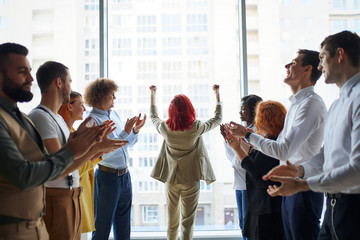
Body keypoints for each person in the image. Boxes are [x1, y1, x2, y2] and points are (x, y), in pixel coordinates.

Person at [0, 43, 107, 239]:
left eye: (30, 72)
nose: (31, 79)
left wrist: (86, 146)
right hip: (15, 228)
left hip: (36, 222)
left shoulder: (21, 117)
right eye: (22, 72)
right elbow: (24, 174)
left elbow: (47, 164)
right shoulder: (26, 117)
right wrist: (77, 151)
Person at [263, 30, 360, 239]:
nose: (319, 66)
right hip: (333, 207)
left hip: (354, 209)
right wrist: (298, 170)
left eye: (323, 57)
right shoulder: (336, 105)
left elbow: (358, 168)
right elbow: (327, 155)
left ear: (340, 55)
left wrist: (303, 184)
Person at [229, 49, 327, 240]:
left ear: (307, 70)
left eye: (293, 63)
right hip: (293, 187)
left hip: (304, 189)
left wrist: (247, 136)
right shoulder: (298, 104)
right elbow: (283, 150)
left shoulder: (310, 104)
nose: (287, 66)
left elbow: (283, 149)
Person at [29, 62, 125, 240]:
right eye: (69, 82)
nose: (70, 87)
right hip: (57, 201)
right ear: (59, 83)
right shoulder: (41, 117)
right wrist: (94, 149)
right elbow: (59, 168)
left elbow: (69, 162)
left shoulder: (55, 118)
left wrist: (96, 148)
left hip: (70, 198)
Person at [149, 84, 222, 240]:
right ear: (190, 109)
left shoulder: (165, 128)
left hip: (171, 179)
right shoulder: (196, 127)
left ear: (171, 110)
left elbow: (154, 118)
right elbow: (217, 119)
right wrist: (217, 96)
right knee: (187, 222)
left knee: (172, 221)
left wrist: (153, 97)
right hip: (191, 179)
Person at [84, 78, 146, 240]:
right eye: (112, 95)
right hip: (107, 177)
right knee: (102, 227)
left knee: (124, 226)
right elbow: (102, 153)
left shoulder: (114, 114)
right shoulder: (92, 121)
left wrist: (135, 131)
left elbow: (126, 144)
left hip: (124, 176)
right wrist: (125, 132)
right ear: (102, 96)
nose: (115, 98)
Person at [58, 91, 125, 236]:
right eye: (80, 104)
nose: (84, 108)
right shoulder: (67, 132)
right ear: (69, 107)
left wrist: (99, 149)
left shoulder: (73, 131)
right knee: (101, 228)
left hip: (82, 192)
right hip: (74, 194)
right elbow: (72, 168)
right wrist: (99, 150)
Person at [224, 100, 286, 240]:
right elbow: (255, 158)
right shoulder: (270, 140)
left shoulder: (273, 143)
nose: (256, 120)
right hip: (262, 204)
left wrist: (237, 148)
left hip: (266, 206)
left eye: (259, 116)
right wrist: (246, 142)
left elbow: (254, 168)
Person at [221, 94, 262, 240]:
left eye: (243, 109)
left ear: (254, 111)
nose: (240, 113)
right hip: (239, 184)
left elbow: (243, 160)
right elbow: (233, 157)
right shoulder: (243, 130)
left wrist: (235, 144)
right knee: (242, 224)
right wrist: (228, 140)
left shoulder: (256, 132)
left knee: (248, 226)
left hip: (249, 185)